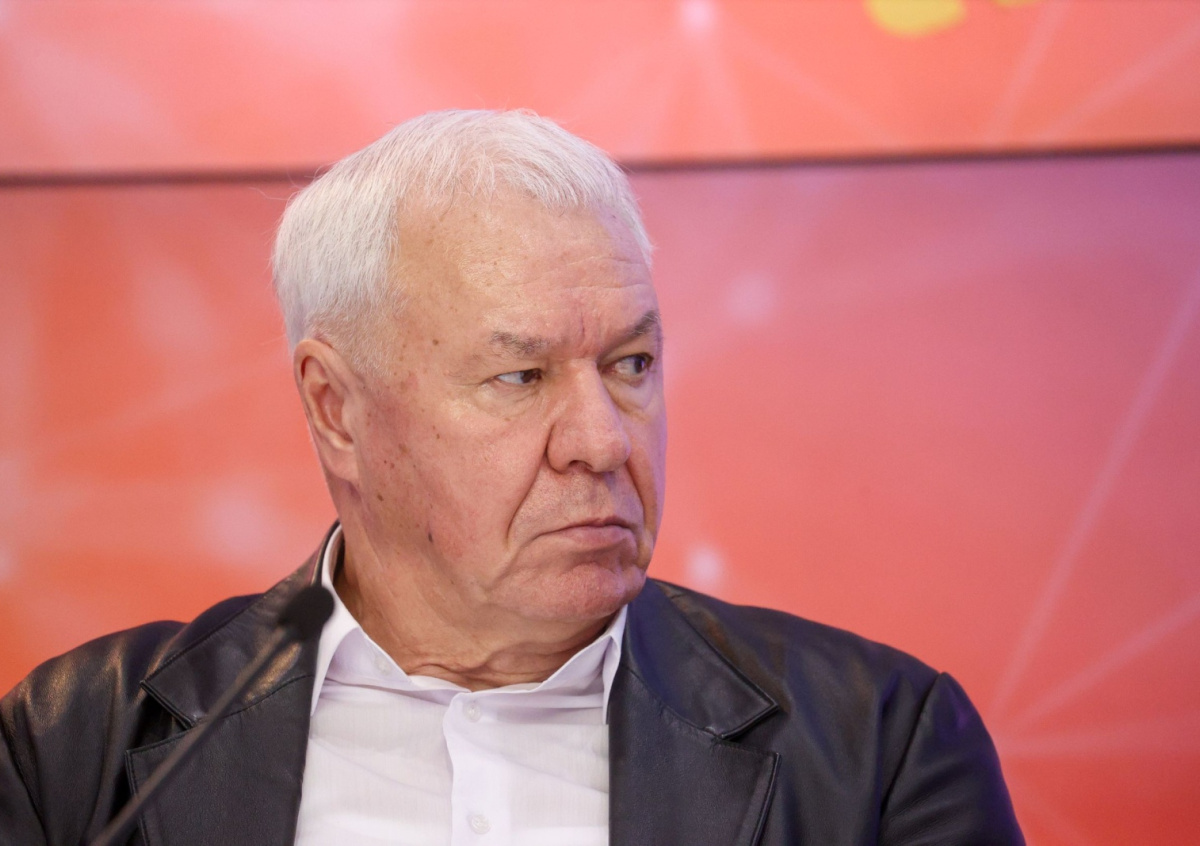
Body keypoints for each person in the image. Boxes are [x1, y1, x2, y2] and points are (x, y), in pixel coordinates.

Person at [0, 110, 1023, 845]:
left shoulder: (879, 749)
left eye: (631, 364)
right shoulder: (76, 747)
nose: (602, 441)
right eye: (519, 377)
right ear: (336, 407)